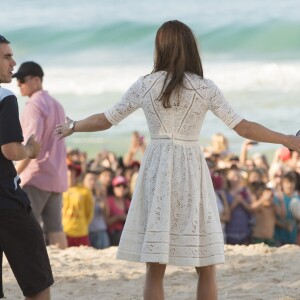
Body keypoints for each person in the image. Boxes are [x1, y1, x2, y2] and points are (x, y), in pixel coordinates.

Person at [55, 20, 300, 300]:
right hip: (191, 167)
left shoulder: (146, 84)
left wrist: (74, 125)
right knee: (205, 263)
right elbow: (243, 127)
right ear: (189, 47)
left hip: (157, 168)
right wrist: (286, 139)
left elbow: (106, 119)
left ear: (160, 48)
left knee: (155, 266)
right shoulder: (204, 87)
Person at [0, 35, 53, 299]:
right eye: (6, 56)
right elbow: (10, 150)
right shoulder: (4, 97)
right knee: (37, 282)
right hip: (6, 203)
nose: (13, 62)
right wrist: (30, 150)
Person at [13, 61, 68, 249]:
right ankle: (61, 272)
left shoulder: (33, 106)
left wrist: (16, 173)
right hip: (57, 175)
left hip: (36, 176)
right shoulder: (57, 105)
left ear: (36, 80)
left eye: (21, 80)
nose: (18, 84)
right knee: (56, 229)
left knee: (29, 227)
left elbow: (31, 145)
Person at [62, 162, 94, 247]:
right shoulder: (59, 190)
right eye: (68, 171)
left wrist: (83, 223)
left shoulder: (85, 191)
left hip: (81, 232)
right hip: (64, 231)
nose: (70, 174)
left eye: (72, 172)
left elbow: (89, 212)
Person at [104, 176, 130, 246]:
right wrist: (118, 217)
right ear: (113, 188)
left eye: (124, 186)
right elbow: (106, 222)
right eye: (118, 186)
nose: (121, 188)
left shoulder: (128, 202)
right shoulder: (109, 201)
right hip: (112, 234)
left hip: (126, 234)